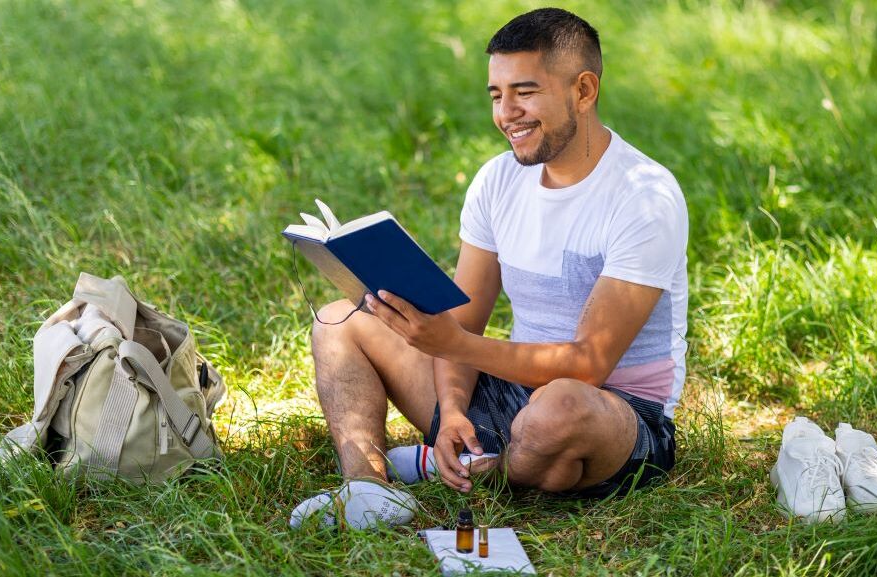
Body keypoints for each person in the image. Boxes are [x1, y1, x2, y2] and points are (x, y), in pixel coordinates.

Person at [290, 7, 689, 530]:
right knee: (338, 322)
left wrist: (452, 345)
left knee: (563, 405)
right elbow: (463, 320)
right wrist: (453, 410)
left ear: (584, 91)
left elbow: (588, 364)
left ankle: (465, 466)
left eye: (525, 92)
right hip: (512, 387)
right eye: (497, 95)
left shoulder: (644, 196)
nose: (507, 113)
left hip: (613, 411)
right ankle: (367, 487)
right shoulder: (497, 181)